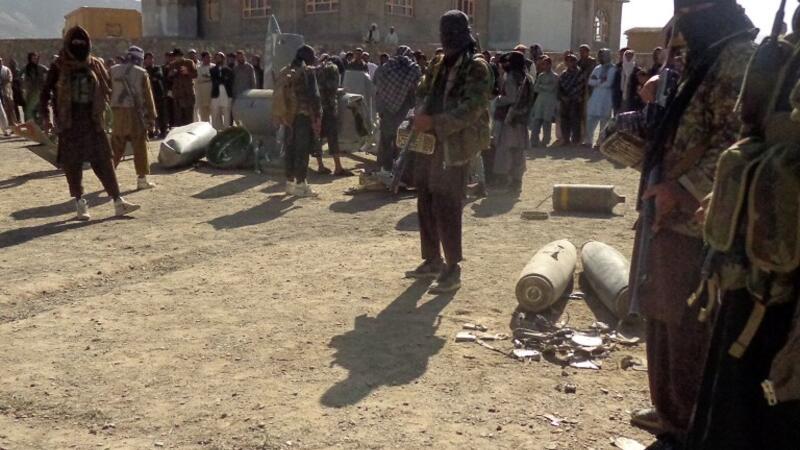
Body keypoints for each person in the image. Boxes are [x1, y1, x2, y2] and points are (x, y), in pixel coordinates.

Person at [627, 1, 756, 447]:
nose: (681, 28)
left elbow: (738, 145)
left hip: (699, 224)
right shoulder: (706, 56)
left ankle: (687, 425)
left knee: (689, 329)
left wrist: (684, 189)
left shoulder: (737, 59)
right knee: (661, 316)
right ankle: (669, 411)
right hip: (666, 216)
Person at [686, 5, 800, 449]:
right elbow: (750, 135)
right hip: (758, 266)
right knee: (740, 392)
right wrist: (725, 199)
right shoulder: (779, 55)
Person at [407, 10, 492, 294]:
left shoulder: (476, 67)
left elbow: (472, 109)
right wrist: (419, 114)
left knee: (447, 205)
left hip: (456, 145)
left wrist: (435, 122)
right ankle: (432, 259)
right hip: (428, 144)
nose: (447, 41)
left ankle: (452, 268)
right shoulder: (438, 63)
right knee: (425, 199)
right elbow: (423, 90)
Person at [40, 26, 139, 220]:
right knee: (73, 164)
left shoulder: (94, 64)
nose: (79, 45)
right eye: (75, 42)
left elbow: (106, 87)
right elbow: (45, 92)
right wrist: (46, 117)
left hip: (93, 120)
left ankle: (118, 201)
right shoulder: (59, 66)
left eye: (82, 42)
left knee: (104, 160)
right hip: (69, 123)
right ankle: (80, 203)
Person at [273, 45, 321, 198]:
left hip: (288, 117)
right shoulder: (308, 72)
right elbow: (314, 97)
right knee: (302, 150)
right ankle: (300, 184)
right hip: (303, 117)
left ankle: (290, 182)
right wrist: (317, 117)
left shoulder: (286, 70)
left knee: (290, 149)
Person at [110, 46, 158, 190]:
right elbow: (148, 97)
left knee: (116, 147)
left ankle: (109, 179)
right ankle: (142, 180)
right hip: (135, 114)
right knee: (139, 147)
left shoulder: (112, 70)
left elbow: (105, 90)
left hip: (117, 113)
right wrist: (152, 117)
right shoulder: (142, 73)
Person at [373, 45, 422, 174]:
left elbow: (376, 82)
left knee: (385, 139)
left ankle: (384, 166)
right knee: (400, 139)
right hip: (403, 109)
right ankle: (397, 169)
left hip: (385, 107)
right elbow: (415, 88)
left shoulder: (386, 67)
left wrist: (383, 102)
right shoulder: (412, 68)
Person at [492, 51, 533, 193]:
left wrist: (497, 100)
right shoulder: (527, 77)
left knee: (506, 150)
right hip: (521, 118)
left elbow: (511, 98)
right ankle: (516, 181)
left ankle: (507, 180)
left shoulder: (511, 77)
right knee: (518, 151)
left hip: (510, 119)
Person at [314, 54, 350, 176]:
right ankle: (338, 167)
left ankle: (320, 166)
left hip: (316, 107)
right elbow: (332, 88)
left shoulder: (317, 68)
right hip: (328, 107)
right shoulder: (333, 68)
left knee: (318, 136)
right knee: (332, 136)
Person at [583, 49, 616, 147]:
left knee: (604, 121)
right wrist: (600, 81)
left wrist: (597, 81)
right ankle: (588, 141)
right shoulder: (597, 68)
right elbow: (590, 81)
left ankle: (600, 143)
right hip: (595, 97)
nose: (600, 58)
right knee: (590, 119)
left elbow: (609, 83)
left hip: (606, 97)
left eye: (602, 56)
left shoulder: (612, 69)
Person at [530, 56, 559, 147]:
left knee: (547, 122)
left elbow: (552, 88)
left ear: (550, 64)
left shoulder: (555, 76)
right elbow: (535, 88)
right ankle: (534, 140)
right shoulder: (541, 76)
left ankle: (545, 141)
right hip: (540, 101)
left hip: (549, 101)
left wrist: (542, 86)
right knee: (536, 121)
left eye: (546, 64)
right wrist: (544, 86)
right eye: (543, 64)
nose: (545, 66)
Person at [166, 48, 197, 126]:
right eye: (175, 56)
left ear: (181, 55)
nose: (177, 58)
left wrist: (187, 72)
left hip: (188, 93)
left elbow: (195, 74)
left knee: (188, 116)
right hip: (178, 94)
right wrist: (171, 74)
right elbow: (168, 78)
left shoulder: (189, 62)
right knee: (178, 117)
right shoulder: (172, 64)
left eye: (178, 56)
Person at [558, 53, 583, 146]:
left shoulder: (579, 73)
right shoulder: (564, 74)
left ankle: (575, 140)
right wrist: (563, 97)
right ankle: (566, 139)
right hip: (564, 101)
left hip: (575, 100)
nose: (569, 63)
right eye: (567, 61)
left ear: (575, 62)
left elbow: (580, 86)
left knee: (575, 120)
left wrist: (570, 96)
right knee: (564, 120)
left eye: (571, 61)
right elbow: (559, 87)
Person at [144, 52, 167, 138]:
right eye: (148, 58)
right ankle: (151, 131)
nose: (150, 60)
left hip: (158, 95)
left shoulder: (157, 68)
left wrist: (152, 78)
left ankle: (163, 131)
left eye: (151, 58)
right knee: (149, 114)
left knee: (161, 114)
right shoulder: (143, 70)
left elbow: (159, 75)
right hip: (148, 95)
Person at [21, 52, 48, 125]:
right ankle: (31, 124)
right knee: (29, 109)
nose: (35, 60)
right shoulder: (26, 68)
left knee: (39, 109)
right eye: (33, 58)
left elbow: (49, 73)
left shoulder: (41, 68)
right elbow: (19, 76)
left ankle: (39, 125)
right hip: (30, 92)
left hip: (39, 91)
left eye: (36, 58)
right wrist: (24, 84)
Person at [210, 52, 234, 131]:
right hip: (216, 94)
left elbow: (229, 81)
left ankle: (226, 131)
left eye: (219, 58)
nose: (218, 60)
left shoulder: (229, 70)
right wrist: (223, 79)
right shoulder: (212, 70)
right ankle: (215, 131)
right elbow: (214, 80)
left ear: (223, 59)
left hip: (226, 94)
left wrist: (221, 80)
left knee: (226, 113)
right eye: (216, 58)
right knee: (215, 114)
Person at [195, 51, 214, 123]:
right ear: (202, 58)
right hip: (202, 94)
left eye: (209, 57)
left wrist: (208, 77)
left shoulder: (214, 67)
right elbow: (197, 80)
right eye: (207, 57)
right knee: (204, 115)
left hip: (212, 94)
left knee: (215, 114)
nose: (209, 59)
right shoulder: (198, 68)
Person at [0, 57, 18, 132]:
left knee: (10, 109)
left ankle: (13, 124)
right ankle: (6, 126)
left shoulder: (6, 69)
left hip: (7, 91)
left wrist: (3, 82)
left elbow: (10, 79)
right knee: (3, 110)